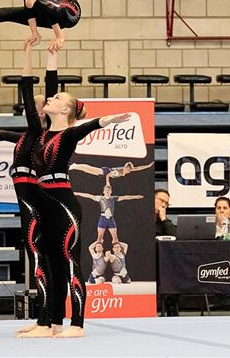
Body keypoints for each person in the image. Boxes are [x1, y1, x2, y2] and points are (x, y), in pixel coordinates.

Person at [0, 47, 57, 337]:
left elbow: (31, 90)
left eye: (39, 105)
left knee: (39, 257)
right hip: (27, 198)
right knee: (37, 257)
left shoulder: (40, 130)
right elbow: (3, 135)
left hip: (33, 199)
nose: (33, 106)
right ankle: (46, 319)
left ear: (41, 114)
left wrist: (34, 57)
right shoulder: (29, 136)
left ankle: (45, 323)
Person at [34, 89, 130, 338]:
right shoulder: (43, 134)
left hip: (63, 204)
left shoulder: (68, 134)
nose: (50, 99)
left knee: (70, 263)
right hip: (45, 201)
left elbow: (89, 126)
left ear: (65, 110)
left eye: (57, 98)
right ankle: (54, 323)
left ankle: (77, 324)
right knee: (54, 266)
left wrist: (110, 119)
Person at [74, 184, 144, 243]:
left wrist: (135, 196)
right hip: (102, 219)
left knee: (115, 238)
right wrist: (77, 193)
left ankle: (118, 255)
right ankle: (97, 255)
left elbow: (125, 197)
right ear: (103, 191)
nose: (107, 191)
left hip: (111, 219)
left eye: (108, 190)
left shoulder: (114, 198)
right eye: (106, 190)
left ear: (111, 191)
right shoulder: (99, 198)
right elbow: (88, 195)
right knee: (99, 238)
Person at [154, 189, 179, 316]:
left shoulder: (164, 221)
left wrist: (163, 219)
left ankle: (171, 306)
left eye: (167, 203)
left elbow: (174, 236)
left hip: (162, 261)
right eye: (161, 201)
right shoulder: (141, 216)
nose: (164, 205)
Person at [70, 161, 154, 187]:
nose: (128, 172)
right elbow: (108, 175)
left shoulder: (128, 170)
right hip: (106, 171)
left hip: (104, 174)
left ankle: (76, 167)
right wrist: (107, 183)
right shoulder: (120, 170)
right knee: (90, 168)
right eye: (128, 169)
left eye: (129, 170)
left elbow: (138, 168)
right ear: (125, 167)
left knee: (87, 171)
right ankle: (76, 165)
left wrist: (148, 166)